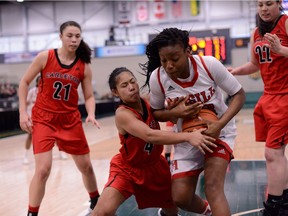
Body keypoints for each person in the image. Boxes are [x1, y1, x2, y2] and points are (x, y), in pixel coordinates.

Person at [140, 27, 245, 216]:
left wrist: (220, 124)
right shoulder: (158, 77)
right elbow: (156, 113)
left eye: (174, 59)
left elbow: (239, 94)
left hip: (219, 131)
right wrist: (175, 113)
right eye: (164, 60)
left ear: (188, 52)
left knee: (212, 187)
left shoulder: (209, 65)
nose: (169, 65)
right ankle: (207, 212)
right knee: (180, 197)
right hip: (187, 136)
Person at [91, 67, 217, 216]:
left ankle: (209, 211)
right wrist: (189, 136)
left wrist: (175, 111)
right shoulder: (122, 114)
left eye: (133, 82)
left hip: (155, 166)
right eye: (124, 85)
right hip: (128, 168)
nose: (131, 87)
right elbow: (149, 135)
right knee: (102, 212)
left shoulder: (149, 100)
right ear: (115, 92)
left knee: (175, 207)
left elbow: (169, 114)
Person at [18, 20, 100, 216]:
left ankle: (95, 200)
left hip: (69, 119)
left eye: (77, 36)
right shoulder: (45, 57)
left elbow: (88, 96)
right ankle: (32, 213)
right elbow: (24, 82)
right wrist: (22, 112)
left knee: (86, 166)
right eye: (70, 35)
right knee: (43, 170)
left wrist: (91, 113)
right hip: (44, 118)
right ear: (61, 36)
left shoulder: (84, 66)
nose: (73, 39)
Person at [228, 1, 288, 215]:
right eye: (260, 4)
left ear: (279, 4)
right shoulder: (256, 32)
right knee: (277, 154)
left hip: (285, 97)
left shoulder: (286, 23)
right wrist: (235, 71)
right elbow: (255, 65)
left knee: (272, 153)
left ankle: (273, 206)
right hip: (269, 97)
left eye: (269, 3)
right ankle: (285, 199)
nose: (263, 8)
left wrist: (281, 49)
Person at [23, 75, 67, 164]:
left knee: (55, 135)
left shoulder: (48, 92)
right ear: (37, 83)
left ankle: (61, 152)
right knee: (30, 136)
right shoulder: (32, 91)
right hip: (33, 117)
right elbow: (26, 102)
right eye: (40, 81)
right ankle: (26, 155)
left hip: (45, 117)